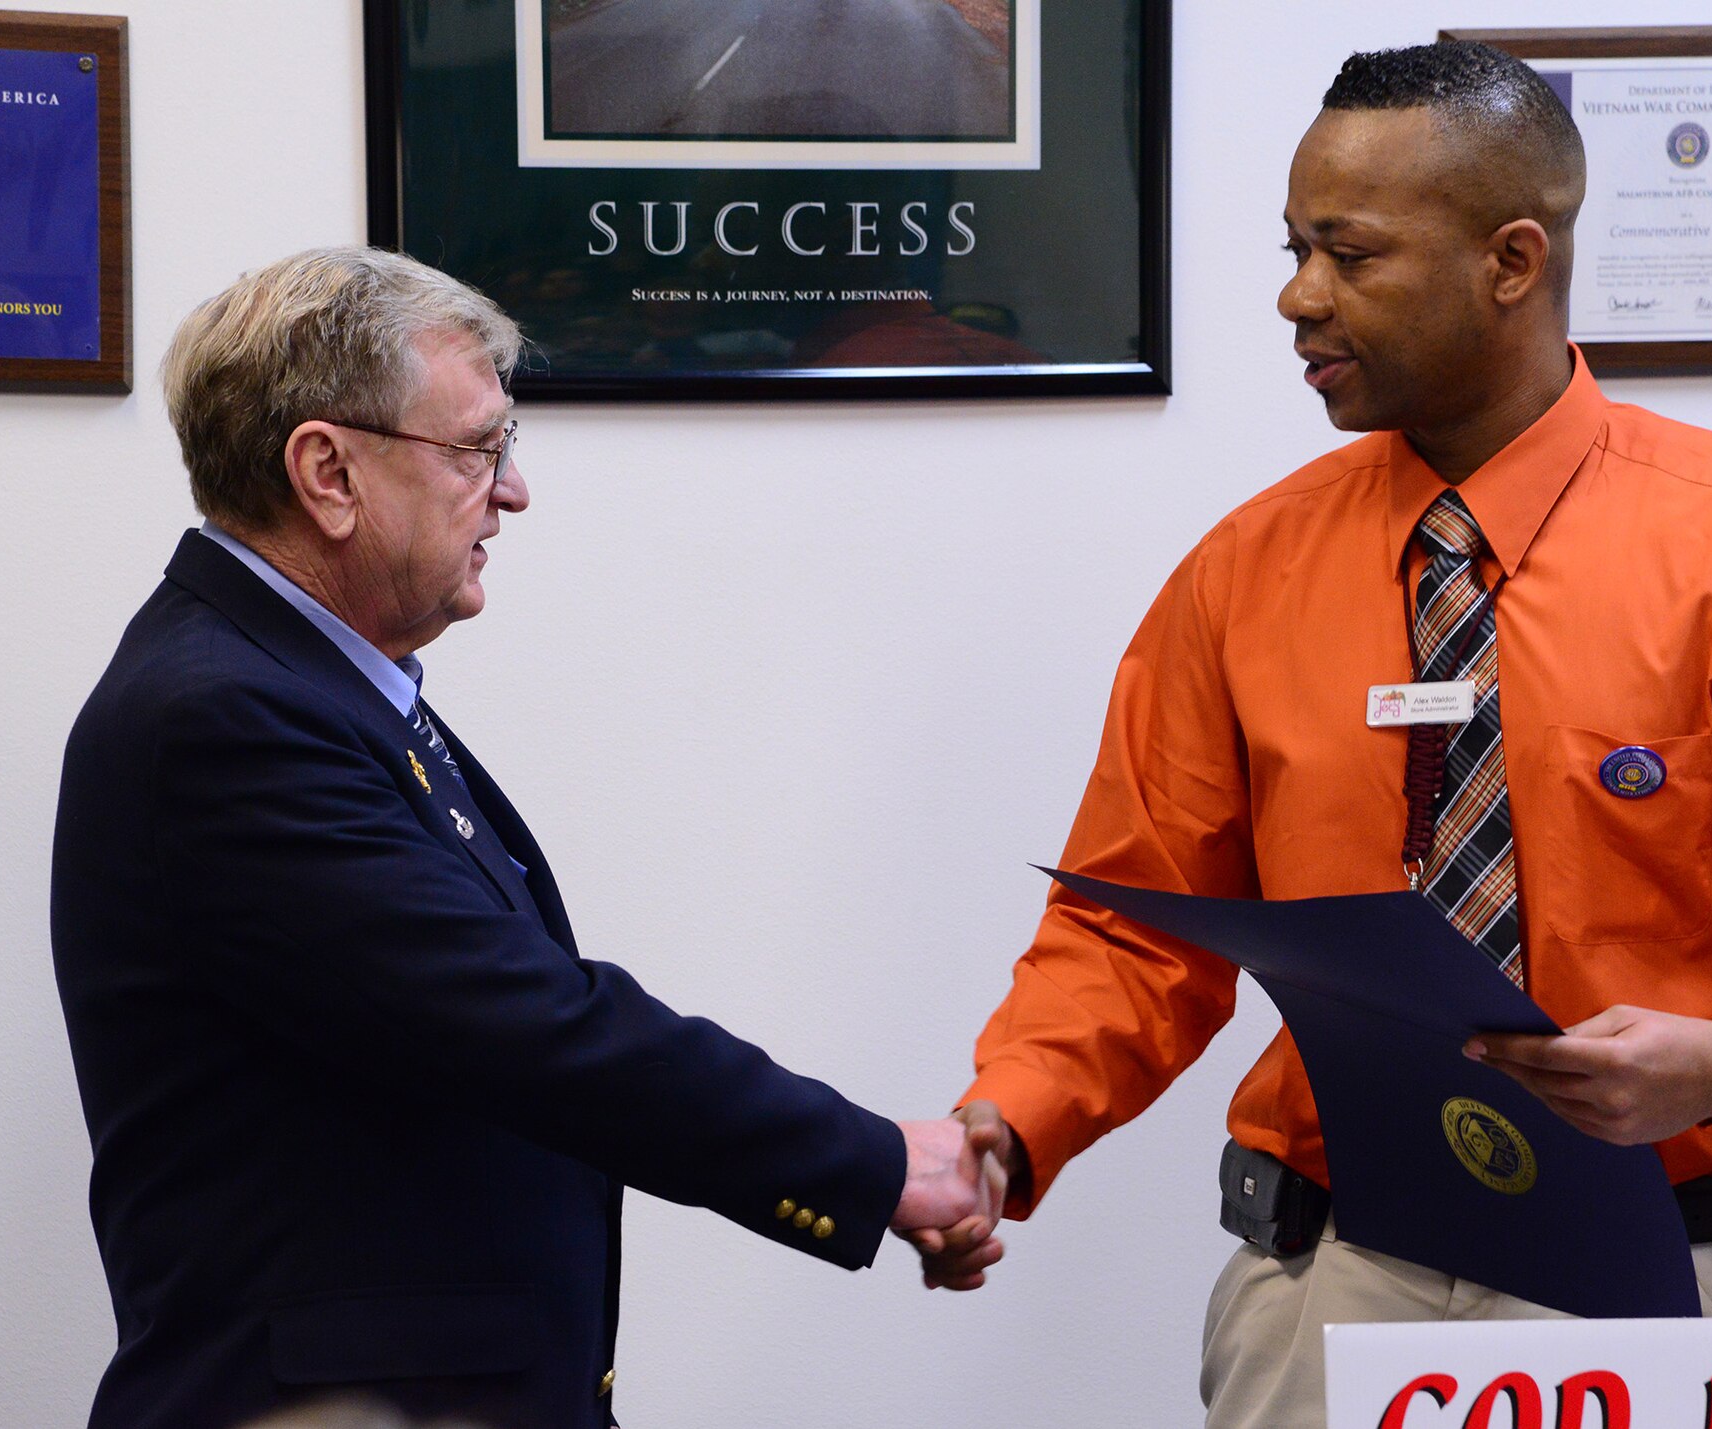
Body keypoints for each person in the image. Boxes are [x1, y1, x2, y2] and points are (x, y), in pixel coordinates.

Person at [914, 40, 1712, 1425]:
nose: (1298, 298)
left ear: (1512, 262)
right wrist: (1011, 1116)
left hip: (1677, 1277)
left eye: (1350, 256)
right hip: (1338, 1286)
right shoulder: (1243, 575)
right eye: (1295, 249)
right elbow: (1136, 928)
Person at [50, 246, 1000, 1429]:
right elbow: (524, 1022)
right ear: (327, 471)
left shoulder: (312, 680)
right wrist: (867, 1161)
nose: (511, 491)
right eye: (475, 448)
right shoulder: (225, 718)